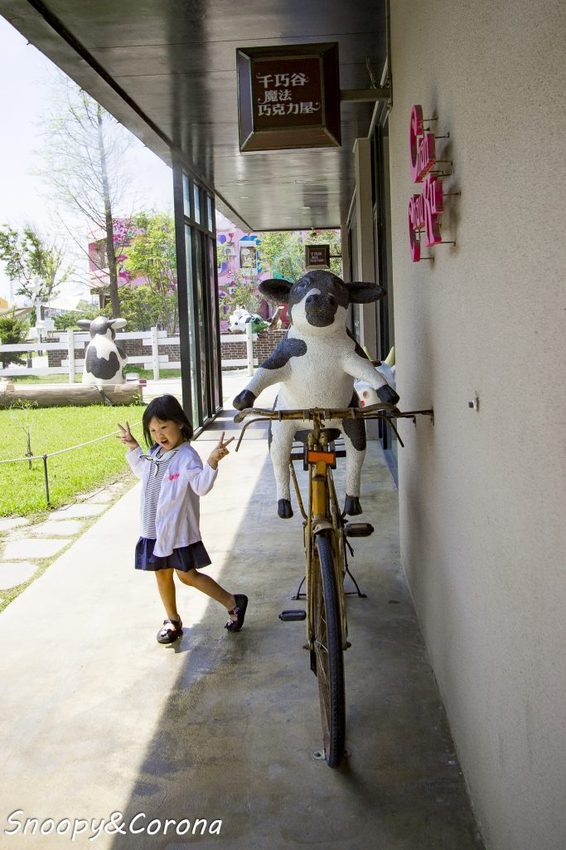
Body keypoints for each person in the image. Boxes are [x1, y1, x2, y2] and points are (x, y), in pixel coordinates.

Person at [117, 394, 248, 645]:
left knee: (187, 575)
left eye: (164, 427)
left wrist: (212, 461)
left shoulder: (187, 456)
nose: (159, 435)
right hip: (153, 530)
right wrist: (134, 447)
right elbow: (143, 472)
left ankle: (233, 602)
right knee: (161, 574)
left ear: (179, 423)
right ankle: (172, 621)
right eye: (153, 430)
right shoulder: (155, 453)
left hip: (176, 531)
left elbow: (201, 486)